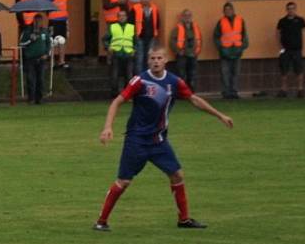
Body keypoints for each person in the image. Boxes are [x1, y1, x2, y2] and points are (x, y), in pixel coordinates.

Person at [94, 45, 234, 231]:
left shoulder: (174, 82)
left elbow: (194, 99)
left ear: (166, 60)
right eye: (152, 58)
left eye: (159, 58)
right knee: (124, 181)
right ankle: (101, 222)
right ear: (148, 61)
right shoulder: (140, 81)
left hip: (158, 141)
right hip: (137, 140)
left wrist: (220, 115)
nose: (156, 62)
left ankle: (184, 219)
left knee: (177, 174)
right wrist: (108, 127)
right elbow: (117, 101)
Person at [276, 2, 305, 98]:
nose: (290, 10)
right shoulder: (282, 21)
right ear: (286, 10)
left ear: (295, 9)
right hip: (285, 50)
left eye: (292, 8)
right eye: (289, 9)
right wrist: (279, 46)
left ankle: (300, 90)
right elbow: (278, 33)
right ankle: (283, 90)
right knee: (284, 70)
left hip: (297, 49)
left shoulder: (300, 20)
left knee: (299, 69)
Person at [213, 2, 248, 99]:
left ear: (233, 10)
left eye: (229, 9)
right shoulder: (221, 22)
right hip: (225, 52)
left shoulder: (240, 20)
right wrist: (220, 48)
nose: (227, 11)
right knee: (225, 73)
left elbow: (244, 35)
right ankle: (226, 92)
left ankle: (234, 91)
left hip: (237, 51)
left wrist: (242, 47)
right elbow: (216, 36)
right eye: (226, 10)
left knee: (236, 73)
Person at [102, 10, 136, 98]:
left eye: (123, 15)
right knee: (114, 76)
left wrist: (134, 50)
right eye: (120, 16)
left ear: (126, 17)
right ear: (117, 17)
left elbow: (136, 41)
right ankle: (115, 95)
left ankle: (127, 95)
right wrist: (108, 47)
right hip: (116, 54)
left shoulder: (131, 27)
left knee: (129, 76)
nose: (122, 17)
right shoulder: (112, 27)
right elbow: (105, 39)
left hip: (128, 54)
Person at [19, 14, 50, 104]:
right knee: (30, 79)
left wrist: (46, 54)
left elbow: (48, 44)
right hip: (30, 59)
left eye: (39, 21)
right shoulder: (27, 31)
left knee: (40, 79)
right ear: (33, 21)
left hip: (41, 59)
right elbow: (21, 44)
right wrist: (30, 40)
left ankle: (39, 98)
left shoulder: (44, 32)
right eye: (36, 21)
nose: (37, 23)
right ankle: (31, 98)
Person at [170, 9, 202, 91]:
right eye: (185, 15)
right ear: (182, 17)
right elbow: (172, 41)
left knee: (192, 74)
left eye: (189, 15)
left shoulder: (196, 27)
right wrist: (178, 51)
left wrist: (197, 50)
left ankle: (191, 91)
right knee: (181, 74)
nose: (187, 17)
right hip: (182, 55)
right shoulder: (178, 28)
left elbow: (200, 39)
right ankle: (181, 92)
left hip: (193, 54)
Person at [129, 0, 160, 73]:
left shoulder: (154, 8)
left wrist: (156, 33)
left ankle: (148, 76)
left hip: (151, 36)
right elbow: (130, 23)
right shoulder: (135, 8)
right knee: (139, 58)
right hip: (139, 36)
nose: (145, 0)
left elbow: (157, 22)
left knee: (150, 57)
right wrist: (133, 35)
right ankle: (139, 78)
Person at [46, 0, 69, 69]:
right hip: (53, 19)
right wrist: (49, 15)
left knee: (62, 41)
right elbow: (47, 3)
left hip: (63, 19)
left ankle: (61, 61)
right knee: (52, 41)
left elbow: (64, 4)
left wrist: (67, 20)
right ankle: (52, 62)